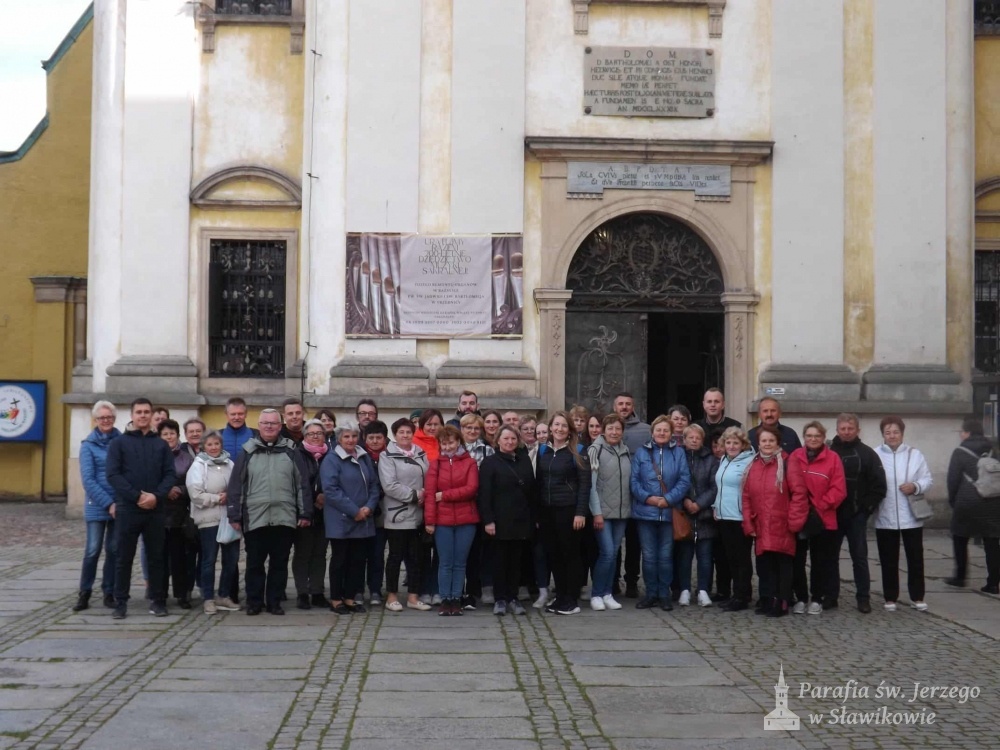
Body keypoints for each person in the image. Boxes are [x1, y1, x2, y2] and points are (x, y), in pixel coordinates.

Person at [227, 409, 311, 616]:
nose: (269, 427)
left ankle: (274, 602)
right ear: (259, 426)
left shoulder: (291, 451)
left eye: (273, 423)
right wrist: (235, 514)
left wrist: (305, 513)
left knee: (279, 563)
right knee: (255, 563)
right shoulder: (247, 452)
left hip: (284, 517)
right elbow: (236, 485)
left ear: (280, 426)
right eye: (265, 423)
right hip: (256, 517)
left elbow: (302, 484)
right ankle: (254, 602)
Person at [107, 398, 176, 619]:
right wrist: (136, 496)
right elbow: (113, 475)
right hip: (128, 508)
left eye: (147, 412)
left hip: (155, 509)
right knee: (123, 557)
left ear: (151, 415)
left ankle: (158, 600)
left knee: (156, 557)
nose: (143, 415)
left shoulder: (161, 444)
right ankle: (120, 602)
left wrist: (156, 496)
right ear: (132, 415)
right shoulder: (119, 443)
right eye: (139, 412)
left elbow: (170, 474)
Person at [741, 424, 808, 617]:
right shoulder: (753, 465)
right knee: (765, 565)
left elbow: (799, 493)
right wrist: (748, 522)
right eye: (764, 440)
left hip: (782, 523)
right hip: (761, 523)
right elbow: (746, 496)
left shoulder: (788, 462)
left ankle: (783, 601)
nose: (767, 444)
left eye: (771, 440)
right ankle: (768, 599)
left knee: (783, 565)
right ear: (758, 443)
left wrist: (794, 521)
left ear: (778, 442)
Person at [630, 414, 691, 611]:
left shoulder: (678, 453)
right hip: (645, 512)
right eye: (658, 430)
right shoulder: (641, 453)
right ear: (652, 432)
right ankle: (651, 594)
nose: (662, 433)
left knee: (665, 556)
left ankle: (664, 595)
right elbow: (634, 481)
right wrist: (648, 498)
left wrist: (668, 499)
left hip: (669, 512)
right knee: (648, 556)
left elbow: (684, 480)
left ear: (671, 433)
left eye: (666, 430)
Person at [828, 413, 887, 613]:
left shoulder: (867, 454)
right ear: (837, 430)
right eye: (843, 429)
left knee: (859, 558)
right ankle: (831, 596)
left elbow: (879, 486)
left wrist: (865, 509)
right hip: (833, 514)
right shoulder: (829, 452)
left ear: (857, 430)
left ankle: (863, 598)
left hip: (856, 515)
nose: (846, 432)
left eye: (850, 429)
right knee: (830, 558)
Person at [321, 420, 380, 615]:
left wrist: (368, 507)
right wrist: (354, 511)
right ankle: (336, 599)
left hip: (363, 519)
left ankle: (350, 597)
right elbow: (331, 490)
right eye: (346, 436)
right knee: (340, 561)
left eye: (354, 436)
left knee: (357, 561)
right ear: (339, 439)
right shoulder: (332, 459)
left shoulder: (363, 457)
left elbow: (374, 485)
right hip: (341, 519)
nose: (351, 440)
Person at [875, 416, 933, 611]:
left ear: (902, 433)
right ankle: (890, 597)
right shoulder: (875, 455)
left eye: (896, 432)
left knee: (915, 558)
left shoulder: (914, 454)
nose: (892, 436)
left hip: (911, 515)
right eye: (888, 432)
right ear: (883, 435)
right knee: (888, 559)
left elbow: (927, 479)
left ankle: (917, 596)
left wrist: (915, 486)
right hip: (885, 514)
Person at [788, 421, 846, 615]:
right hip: (799, 515)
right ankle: (801, 597)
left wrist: (820, 504)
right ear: (804, 437)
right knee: (797, 559)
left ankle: (817, 598)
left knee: (820, 561)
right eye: (809, 436)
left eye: (817, 436)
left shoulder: (833, 458)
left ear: (823, 437)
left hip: (823, 517)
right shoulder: (795, 456)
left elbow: (839, 489)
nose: (813, 439)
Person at [537, 412, 591, 615]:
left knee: (570, 555)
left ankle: (571, 599)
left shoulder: (578, 451)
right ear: (550, 428)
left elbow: (585, 485)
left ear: (569, 430)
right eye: (556, 425)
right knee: (554, 555)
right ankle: (560, 596)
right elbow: (540, 482)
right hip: (548, 511)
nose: (559, 429)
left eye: (563, 425)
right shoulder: (544, 450)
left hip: (569, 510)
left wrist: (580, 513)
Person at [478, 425, 535, 616]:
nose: (509, 442)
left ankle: (513, 597)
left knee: (516, 562)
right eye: (506, 438)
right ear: (498, 441)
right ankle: (500, 598)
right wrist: (488, 520)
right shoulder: (490, 462)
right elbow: (484, 494)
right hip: (499, 521)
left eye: (513, 439)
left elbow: (531, 490)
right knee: (499, 562)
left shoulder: (524, 460)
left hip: (520, 519)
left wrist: (533, 518)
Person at [424, 425, 480, 616]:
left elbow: (471, 489)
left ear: (458, 442)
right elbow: (430, 494)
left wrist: (445, 495)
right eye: (444, 443)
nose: (447, 447)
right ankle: (445, 598)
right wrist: (430, 521)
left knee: (460, 562)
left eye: (451, 443)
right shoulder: (435, 464)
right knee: (445, 562)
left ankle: (456, 598)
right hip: (443, 521)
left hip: (466, 520)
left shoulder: (470, 463)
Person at [378, 417, 431, 612]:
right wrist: (416, 495)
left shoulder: (420, 453)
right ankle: (391, 596)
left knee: (415, 557)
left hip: (418, 514)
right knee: (395, 556)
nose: (405, 435)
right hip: (398, 514)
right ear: (395, 434)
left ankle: (413, 597)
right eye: (401, 432)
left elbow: (429, 477)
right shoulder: (387, 456)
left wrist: (426, 494)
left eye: (409, 432)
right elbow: (389, 485)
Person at [74, 401, 122, 612]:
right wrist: (108, 503)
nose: (106, 421)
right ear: (95, 420)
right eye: (102, 418)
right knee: (93, 550)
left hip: (119, 504)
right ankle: (85, 591)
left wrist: (118, 502)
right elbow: (88, 479)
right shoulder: (87, 445)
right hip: (97, 505)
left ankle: (109, 592)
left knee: (113, 550)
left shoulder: (121, 442)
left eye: (109, 417)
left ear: (114, 418)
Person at [186, 430, 241, 614]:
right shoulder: (198, 466)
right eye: (209, 444)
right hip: (208, 519)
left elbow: (238, 486)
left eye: (216, 444)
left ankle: (224, 595)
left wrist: (230, 496)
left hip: (229, 518)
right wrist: (217, 498)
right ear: (203, 446)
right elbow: (195, 494)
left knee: (231, 559)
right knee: (209, 560)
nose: (213, 447)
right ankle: (208, 598)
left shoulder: (230, 463)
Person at [946, 417, 1000, 594]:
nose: (960, 434)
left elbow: (953, 480)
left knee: (960, 537)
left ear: (968, 433)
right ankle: (993, 583)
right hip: (992, 501)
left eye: (962, 431)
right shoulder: (993, 450)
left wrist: (953, 501)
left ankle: (960, 577)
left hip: (967, 501)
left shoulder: (960, 452)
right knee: (992, 542)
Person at [588, 414, 632, 612]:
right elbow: (591, 486)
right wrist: (596, 512)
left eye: (618, 428)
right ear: (603, 430)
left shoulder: (625, 450)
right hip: (602, 513)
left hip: (621, 513)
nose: (614, 432)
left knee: (613, 554)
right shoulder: (595, 450)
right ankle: (596, 594)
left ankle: (607, 593)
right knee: (606, 553)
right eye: (610, 428)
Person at [675, 424, 720, 608]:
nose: (694, 441)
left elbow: (714, 487)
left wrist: (699, 504)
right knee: (684, 556)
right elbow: (675, 481)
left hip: (704, 515)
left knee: (705, 556)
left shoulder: (711, 460)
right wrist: (685, 500)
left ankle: (703, 590)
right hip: (684, 514)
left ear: (702, 440)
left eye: (697, 438)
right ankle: (684, 590)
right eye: (690, 437)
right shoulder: (678, 456)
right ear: (684, 440)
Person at [713, 426, 756, 611]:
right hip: (724, 515)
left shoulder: (749, 462)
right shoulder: (724, 459)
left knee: (742, 559)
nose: (731, 446)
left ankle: (742, 596)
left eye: (735, 443)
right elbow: (721, 487)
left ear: (743, 444)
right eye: (728, 442)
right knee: (730, 558)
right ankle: (735, 594)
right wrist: (715, 506)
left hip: (739, 517)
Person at [613, 392, 649, 598]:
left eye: (628, 404)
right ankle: (613, 581)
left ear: (633, 406)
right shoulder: (606, 428)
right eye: (621, 404)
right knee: (614, 542)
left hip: (637, 496)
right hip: (613, 497)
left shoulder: (646, 430)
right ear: (615, 406)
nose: (624, 407)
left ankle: (632, 581)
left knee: (634, 543)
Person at [292, 420, 330, 610]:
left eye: (319, 433)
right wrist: (313, 499)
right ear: (304, 436)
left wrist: (326, 496)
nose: (315, 436)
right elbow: (298, 483)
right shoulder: (296, 454)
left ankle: (317, 591)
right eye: (311, 433)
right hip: (303, 511)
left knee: (320, 553)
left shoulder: (330, 454)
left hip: (326, 511)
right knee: (302, 553)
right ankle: (302, 593)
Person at [157, 419, 194, 609]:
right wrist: (165, 490)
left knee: (180, 557)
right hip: (159, 513)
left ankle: (182, 595)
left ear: (178, 435)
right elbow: (149, 480)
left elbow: (194, 483)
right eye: (165, 434)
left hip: (180, 513)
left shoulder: (187, 458)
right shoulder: (153, 456)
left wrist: (179, 489)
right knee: (160, 557)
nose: (169, 437)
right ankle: (160, 595)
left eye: (172, 433)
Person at [459, 413, 495, 607]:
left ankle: (476, 589)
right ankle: (460, 591)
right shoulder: (455, 449)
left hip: (481, 504)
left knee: (480, 550)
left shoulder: (488, 451)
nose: (472, 431)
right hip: (460, 505)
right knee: (463, 551)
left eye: (476, 428)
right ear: (462, 429)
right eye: (468, 428)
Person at [360, 420, 389, 605]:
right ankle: (357, 590)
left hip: (384, 513)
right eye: (371, 438)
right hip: (363, 512)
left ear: (385, 438)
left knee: (377, 555)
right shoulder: (360, 456)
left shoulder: (390, 455)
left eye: (379, 437)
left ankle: (375, 589)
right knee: (359, 555)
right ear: (365, 438)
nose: (375, 441)